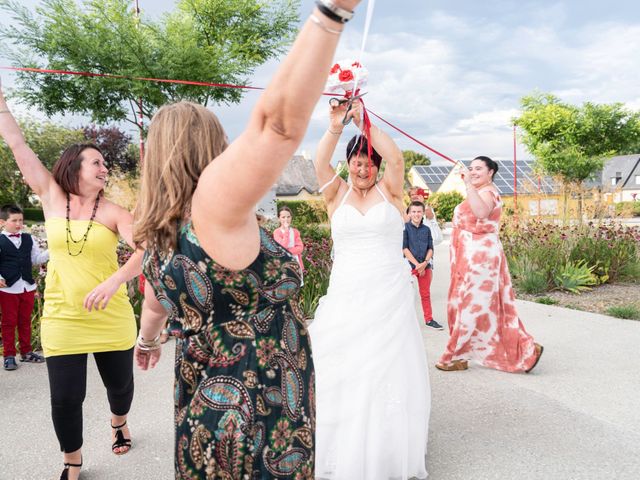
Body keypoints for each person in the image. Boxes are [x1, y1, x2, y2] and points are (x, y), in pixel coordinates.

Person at [132, 2, 362, 478]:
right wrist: (332, 13)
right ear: (209, 149)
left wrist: (146, 341)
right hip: (257, 415)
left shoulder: (156, 231)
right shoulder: (213, 207)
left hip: (204, 414)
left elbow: (154, 305)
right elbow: (276, 127)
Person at [0, 80, 143, 480]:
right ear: (74, 166)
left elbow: (144, 251)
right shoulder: (50, 196)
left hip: (111, 316)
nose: (104, 167)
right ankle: (72, 461)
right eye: (96, 162)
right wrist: (1, 105)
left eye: (104, 163)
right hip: (63, 316)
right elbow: (19, 146)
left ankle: (119, 423)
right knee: (65, 398)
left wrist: (115, 281)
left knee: (121, 389)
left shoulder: (116, 212)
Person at [309, 99, 430, 479]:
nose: (363, 168)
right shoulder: (335, 195)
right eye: (357, 162)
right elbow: (318, 163)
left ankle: (386, 450)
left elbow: (396, 159)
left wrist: (364, 120)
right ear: (349, 165)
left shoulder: (391, 193)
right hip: (345, 292)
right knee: (342, 366)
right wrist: (335, 125)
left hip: (387, 294)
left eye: (369, 162)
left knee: (385, 371)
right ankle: (342, 446)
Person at [436, 156, 543, 373]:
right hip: (470, 256)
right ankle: (523, 346)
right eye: (471, 168)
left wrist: (467, 184)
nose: (473, 172)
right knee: (484, 308)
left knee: (471, 306)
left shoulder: (488, 192)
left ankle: (453, 356)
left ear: (490, 172)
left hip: (480, 259)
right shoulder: (479, 191)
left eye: (478, 169)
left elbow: (481, 212)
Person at [0, 204, 49, 370]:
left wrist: (52, 250)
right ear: (2, 222)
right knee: (8, 322)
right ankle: (9, 355)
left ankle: (27, 352)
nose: (18, 223)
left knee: (25, 321)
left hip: (27, 286)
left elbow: (36, 259)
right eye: (14, 220)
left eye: (20, 220)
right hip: (8, 288)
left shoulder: (29, 238)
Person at [403, 201, 442, 330]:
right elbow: (405, 249)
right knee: (406, 294)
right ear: (409, 213)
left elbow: (430, 248)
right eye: (413, 211)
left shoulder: (426, 229)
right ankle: (406, 322)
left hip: (425, 266)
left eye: (419, 211)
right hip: (409, 266)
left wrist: (424, 263)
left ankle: (429, 319)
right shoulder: (405, 228)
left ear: (423, 213)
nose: (416, 214)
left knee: (425, 294)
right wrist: (416, 265)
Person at [273, 206, 305, 279]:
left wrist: (286, 251)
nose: (286, 219)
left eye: (288, 217)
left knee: (296, 284)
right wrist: (286, 230)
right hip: (283, 262)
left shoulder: (295, 232)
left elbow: (300, 248)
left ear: (291, 217)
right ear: (279, 218)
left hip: (296, 262)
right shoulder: (277, 232)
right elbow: (282, 246)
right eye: (283, 217)